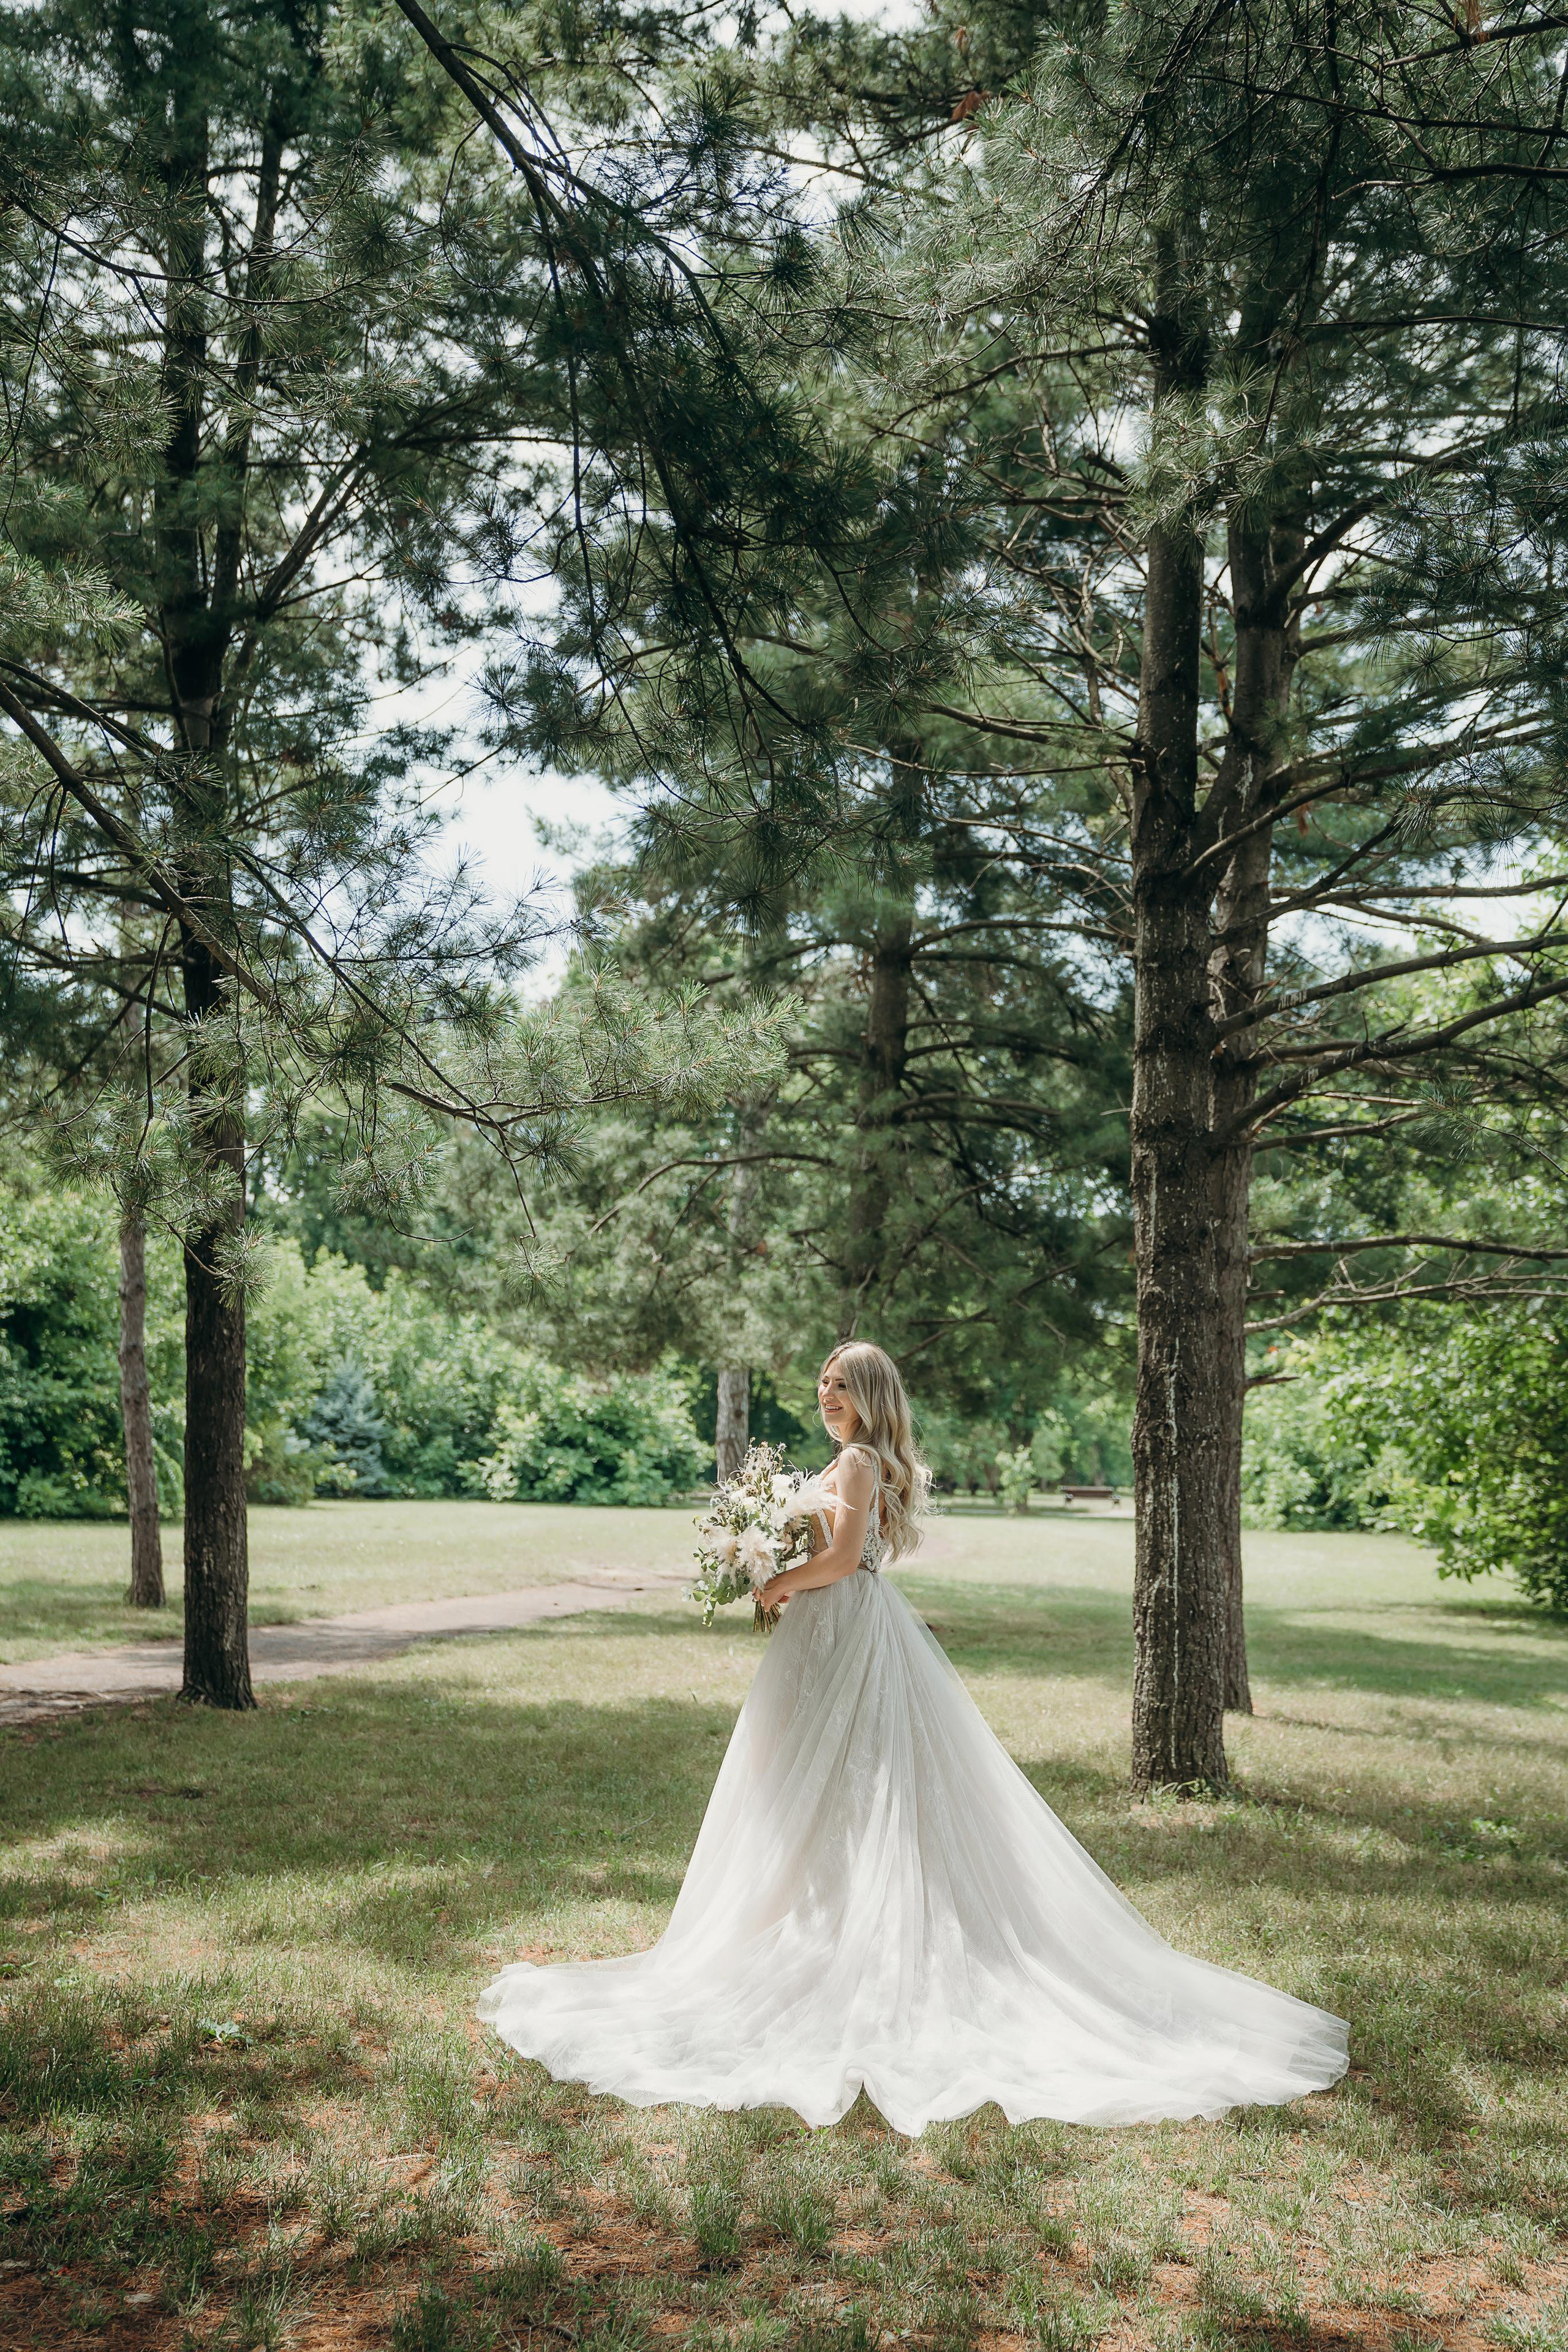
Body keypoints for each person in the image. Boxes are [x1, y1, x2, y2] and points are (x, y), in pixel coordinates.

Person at [478, 1340, 1348, 2133]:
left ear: (871, 1396)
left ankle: (847, 1933)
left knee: (848, 1779)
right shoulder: (851, 1458)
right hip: (829, 1629)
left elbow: (843, 1559)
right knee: (814, 1783)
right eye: (823, 1384)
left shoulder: (859, 1462)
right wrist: (761, 1551)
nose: (828, 1396)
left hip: (843, 1624)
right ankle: (814, 1915)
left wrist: (777, 1581)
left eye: (842, 1386)